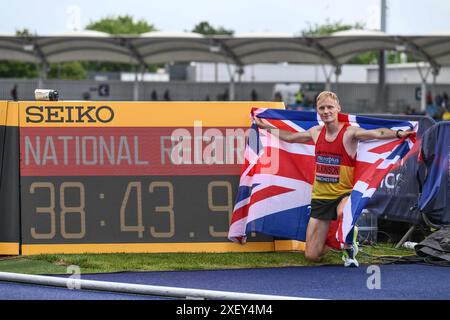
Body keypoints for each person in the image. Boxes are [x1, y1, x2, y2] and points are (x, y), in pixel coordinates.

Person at [254, 91, 414, 267]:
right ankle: (336, 241)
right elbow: (291, 138)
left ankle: (349, 247)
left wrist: (398, 133)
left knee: (342, 213)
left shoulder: (349, 133)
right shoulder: (316, 132)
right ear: (317, 111)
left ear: (338, 108)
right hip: (320, 198)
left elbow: (377, 133)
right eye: (322, 108)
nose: (326, 111)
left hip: (343, 194)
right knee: (312, 255)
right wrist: (265, 127)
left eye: (330, 107)